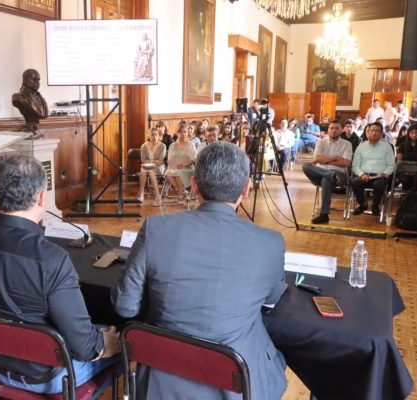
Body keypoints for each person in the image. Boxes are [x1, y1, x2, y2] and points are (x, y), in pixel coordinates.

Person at [112, 141, 287, 400]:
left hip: (162, 381)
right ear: (247, 188)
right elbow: (270, 300)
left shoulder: (156, 228)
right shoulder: (271, 242)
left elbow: (125, 307)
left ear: (193, 185)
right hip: (239, 383)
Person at [0, 155, 120, 395]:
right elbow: (85, 348)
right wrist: (108, 344)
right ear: (41, 197)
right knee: (120, 338)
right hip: (52, 376)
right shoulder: (53, 260)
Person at [302, 120, 353, 224]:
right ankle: (331, 175)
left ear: (341, 130)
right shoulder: (321, 142)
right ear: (328, 130)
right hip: (320, 173)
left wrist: (325, 160)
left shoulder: (347, 144)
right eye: (331, 128)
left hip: (339, 176)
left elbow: (346, 163)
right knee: (306, 166)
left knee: (326, 179)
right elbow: (316, 159)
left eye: (337, 128)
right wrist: (335, 158)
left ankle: (324, 214)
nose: (334, 130)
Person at [351, 122, 396, 216]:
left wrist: (385, 173)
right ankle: (362, 204)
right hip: (364, 175)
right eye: (372, 130)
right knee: (355, 182)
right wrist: (361, 174)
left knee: (378, 185)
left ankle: (375, 206)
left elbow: (391, 165)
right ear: (367, 132)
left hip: (380, 176)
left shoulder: (387, 147)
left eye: (377, 131)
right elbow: (355, 165)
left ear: (381, 133)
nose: (374, 133)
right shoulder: (361, 146)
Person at [164, 125, 197, 204]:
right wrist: (176, 166)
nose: (183, 134)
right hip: (175, 167)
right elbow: (169, 160)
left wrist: (184, 165)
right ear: (177, 133)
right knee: (166, 173)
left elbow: (193, 159)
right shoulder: (172, 145)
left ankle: (180, 196)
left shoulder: (191, 144)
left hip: (188, 168)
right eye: (181, 132)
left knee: (179, 174)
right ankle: (184, 191)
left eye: (185, 132)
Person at [12, 68, 49, 134]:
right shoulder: (18, 97)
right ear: (25, 80)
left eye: (38, 80)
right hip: (29, 127)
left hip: (36, 129)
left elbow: (44, 114)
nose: (37, 82)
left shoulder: (40, 97)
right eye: (34, 79)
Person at [137, 128, 166, 207]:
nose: (154, 136)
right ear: (149, 136)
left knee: (150, 171)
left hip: (159, 167)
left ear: (158, 135)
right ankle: (141, 192)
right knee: (143, 172)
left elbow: (160, 161)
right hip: (146, 167)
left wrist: (150, 161)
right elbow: (143, 160)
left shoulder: (163, 146)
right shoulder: (144, 146)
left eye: (156, 134)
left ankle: (157, 196)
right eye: (152, 134)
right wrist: (154, 161)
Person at [396, 123, 417, 191]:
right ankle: (407, 195)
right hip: (404, 170)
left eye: (416, 133)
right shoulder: (402, 145)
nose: (414, 135)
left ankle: (412, 195)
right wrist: (412, 163)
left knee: (416, 180)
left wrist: (414, 164)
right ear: (408, 133)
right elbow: (399, 160)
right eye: (412, 133)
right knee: (405, 180)